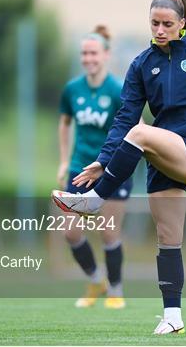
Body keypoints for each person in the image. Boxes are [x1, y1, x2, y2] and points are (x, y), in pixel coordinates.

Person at [53, 0, 186, 334]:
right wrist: (104, 160)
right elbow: (124, 115)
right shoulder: (142, 65)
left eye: (166, 24)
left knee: (140, 132)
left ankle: (95, 200)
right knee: (167, 237)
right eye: (154, 23)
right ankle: (173, 317)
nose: (159, 30)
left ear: (182, 24)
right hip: (163, 156)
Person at [55, 25, 133, 310]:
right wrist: (64, 160)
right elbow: (64, 123)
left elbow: (137, 127)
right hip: (80, 168)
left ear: (106, 55)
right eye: (84, 53)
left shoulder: (118, 90)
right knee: (71, 232)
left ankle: (115, 290)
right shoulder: (72, 89)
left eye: (93, 53)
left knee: (108, 232)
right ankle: (96, 280)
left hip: (113, 171)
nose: (88, 58)